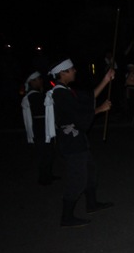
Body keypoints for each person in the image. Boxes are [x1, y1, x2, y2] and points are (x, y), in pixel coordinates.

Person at [44, 58, 115, 227]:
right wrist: (100, 109)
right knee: (77, 178)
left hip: (77, 141)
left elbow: (88, 98)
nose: (75, 71)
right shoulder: (60, 94)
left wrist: (106, 80)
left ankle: (91, 204)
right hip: (71, 143)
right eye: (71, 69)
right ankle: (66, 217)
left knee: (90, 171)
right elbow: (77, 116)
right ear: (63, 73)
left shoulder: (66, 91)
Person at [21, 71, 57, 185]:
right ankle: (44, 177)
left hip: (41, 128)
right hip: (40, 129)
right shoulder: (34, 96)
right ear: (32, 82)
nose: (41, 81)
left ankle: (48, 175)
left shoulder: (36, 95)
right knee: (44, 154)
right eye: (38, 79)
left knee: (47, 153)